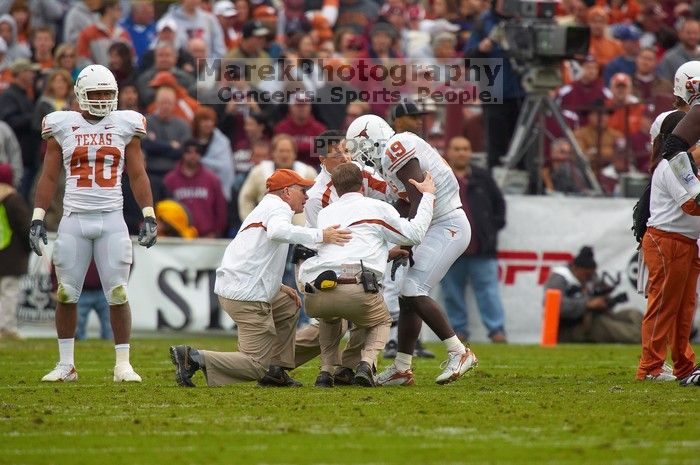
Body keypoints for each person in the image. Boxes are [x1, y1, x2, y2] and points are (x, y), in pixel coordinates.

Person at [30, 64, 157, 383]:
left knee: (117, 292)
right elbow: (48, 175)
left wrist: (149, 213)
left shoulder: (126, 124)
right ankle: (66, 364)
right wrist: (37, 217)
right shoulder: (61, 125)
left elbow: (138, 173)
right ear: (80, 95)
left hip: (112, 219)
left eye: (107, 94)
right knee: (66, 294)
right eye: (96, 93)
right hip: (74, 218)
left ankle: (123, 364)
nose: (102, 100)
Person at [168, 169, 351, 388]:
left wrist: (280, 286)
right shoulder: (278, 208)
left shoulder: (266, 208)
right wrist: (322, 235)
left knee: (288, 306)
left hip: (240, 287)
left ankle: (276, 371)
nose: (307, 196)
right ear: (286, 192)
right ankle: (193, 357)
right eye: (302, 190)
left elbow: (254, 255)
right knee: (255, 365)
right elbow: (277, 232)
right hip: (246, 295)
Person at [346, 114, 477, 386]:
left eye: (361, 148)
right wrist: (397, 240)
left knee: (413, 289)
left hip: (446, 223)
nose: (362, 157)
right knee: (407, 295)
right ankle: (402, 368)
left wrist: (407, 240)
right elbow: (406, 204)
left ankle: (459, 351)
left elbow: (419, 195)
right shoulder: (393, 155)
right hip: (436, 223)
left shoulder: (396, 148)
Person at [299, 163, 436, 387]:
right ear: (362, 184)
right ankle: (366, 363)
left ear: (334, 187)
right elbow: (414, 234)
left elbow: (348, 249)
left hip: (317, 292)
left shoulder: (325, 213)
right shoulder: (376, 208)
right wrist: (428, 197)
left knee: (330, 319)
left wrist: (385, 254)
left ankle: (326, 372)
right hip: (356, 289)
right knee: (381, 319)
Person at [637, 110, 700, 385]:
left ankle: (685, 366)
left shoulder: (683, 163)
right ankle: (649, 367)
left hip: (683, 242)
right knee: (664, 306)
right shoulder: (671, 165)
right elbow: (691, 204)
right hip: (668, 241)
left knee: (684, 309)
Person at [440, 136, 507, 343]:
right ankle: (458, 332)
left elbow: (499, 205)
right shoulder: (440, 177)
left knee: (489, 292)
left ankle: (497, 331)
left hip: (482, 248)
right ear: (449, 152)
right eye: (457, 149)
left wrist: (491, 230)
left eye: (465, 148)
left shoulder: (482, 177)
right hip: (450, 249)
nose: (461, 153)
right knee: (452, 293)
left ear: (471, 152)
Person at [543, 246, 642, 344]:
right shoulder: (560, 278)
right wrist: (587, 304)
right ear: (576, 268)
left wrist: (606, 301)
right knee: (615, 328)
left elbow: (598, 298)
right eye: (587, 275)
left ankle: (651, 333)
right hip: (573, 327)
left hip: (596, 318)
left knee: (633, 314)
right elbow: (554, 305)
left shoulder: (591, 278)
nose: (589, 278)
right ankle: (644, 337)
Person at [163, 139, 228, 238]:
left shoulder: (212, 179)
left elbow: (220, 208)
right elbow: (164, 209)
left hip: (207, 238)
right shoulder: (170, 180)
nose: (193, 155)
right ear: (183, 154)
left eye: (197, 152)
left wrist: (216, 232)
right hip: (178, 238)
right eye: (189, 152)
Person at [0, 163, 30, 340]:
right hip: (11, 256)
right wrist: (29, 247)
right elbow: (24, 227)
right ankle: (7, 328)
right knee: (9, 292)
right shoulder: (13, 199)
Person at [75, 261, 112, 341]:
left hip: (104, 291)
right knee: (76, 327)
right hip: (81, 291)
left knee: (109, 327)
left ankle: (112, 346)